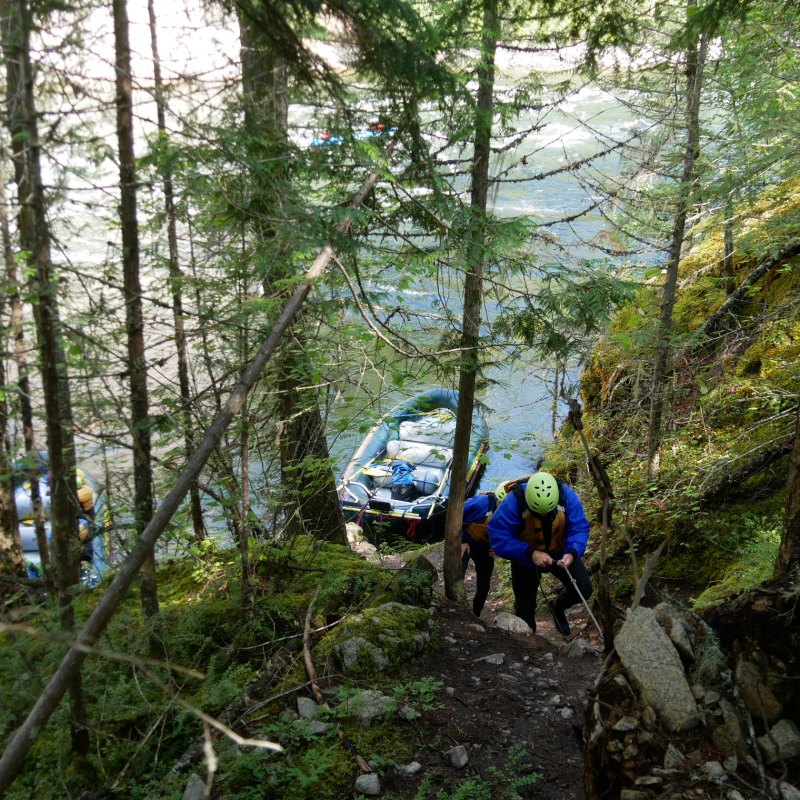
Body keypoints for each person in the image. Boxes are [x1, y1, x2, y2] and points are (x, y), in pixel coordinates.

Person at [488, 471, 591, 636]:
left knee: (583, 589)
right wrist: (530, 553)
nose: (543, 516)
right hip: (525, 558)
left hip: (560, 551)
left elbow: (579, 527)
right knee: (524, 608)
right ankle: (531, 644)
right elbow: (499, 536)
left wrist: (572, 552)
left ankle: (557, 607)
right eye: (538, 512)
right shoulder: (514, 501)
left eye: (547, 512)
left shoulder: (566, 497)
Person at [460, 482, 510, 617]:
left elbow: (512, 536)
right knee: (458, 573)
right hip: (466, 542)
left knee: (484, 587)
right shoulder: (480, 504)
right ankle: (454, 606)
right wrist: (461, 541)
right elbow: (455, 516)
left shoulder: (512, 516)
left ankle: (475, 615)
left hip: (485, 550)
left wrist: (500, 548)